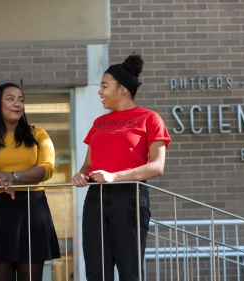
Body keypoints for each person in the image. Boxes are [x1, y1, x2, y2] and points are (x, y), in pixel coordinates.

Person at [72, 53, 171, 281]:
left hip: (129, 199)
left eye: (104, 86)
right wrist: (80, 176)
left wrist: (114, 176)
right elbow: (88, 164)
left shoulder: (150, 118)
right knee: (97, 272)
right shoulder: (100, 122)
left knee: (130, 272)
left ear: (122, 89)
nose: (100, 92)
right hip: (95, 198)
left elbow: (157, 166)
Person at [0, 83, 61, 281]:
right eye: (10, 99)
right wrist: (1, 181)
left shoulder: (39, 135)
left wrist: (13, 176)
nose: (17, 104)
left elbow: (47, 168)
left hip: (32, 208)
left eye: (21, 100)